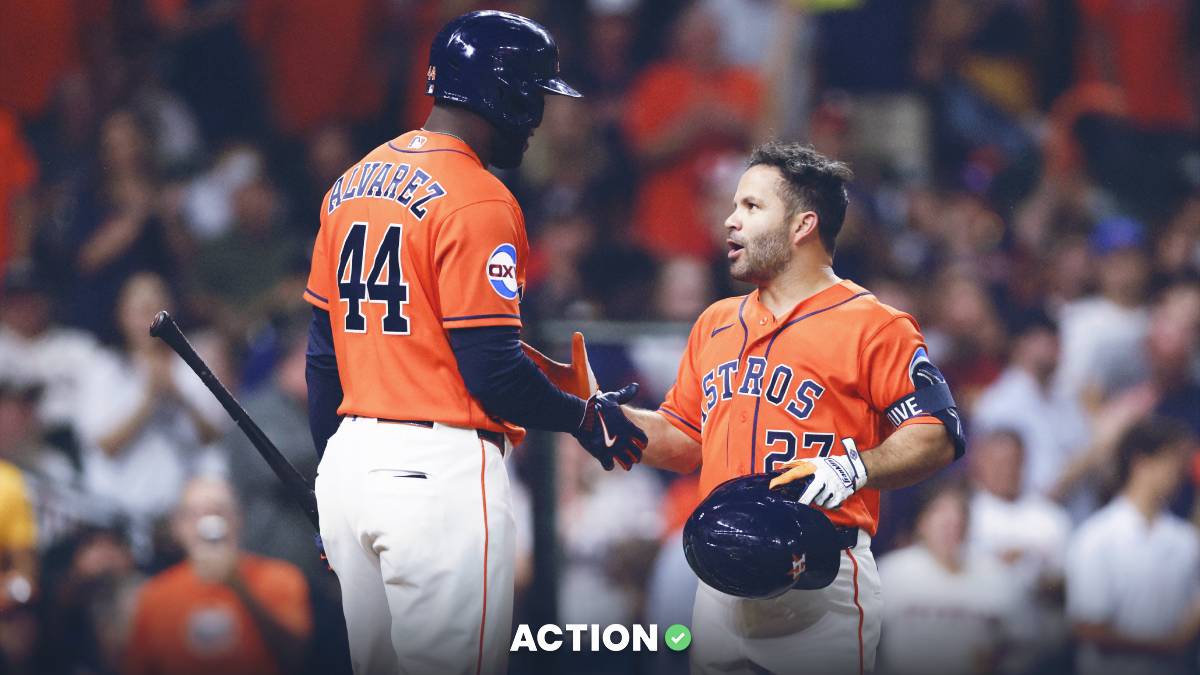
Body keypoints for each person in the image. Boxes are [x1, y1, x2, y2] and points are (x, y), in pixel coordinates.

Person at [302, 11, 645, 675]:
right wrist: (582, 418)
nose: (539, 115)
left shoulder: (350, 181)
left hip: (351, 470)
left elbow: (323, 359)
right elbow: (493, 371)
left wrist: (328, 485)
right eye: (536, 95)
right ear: (505, 93)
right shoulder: (478, 197)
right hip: (439, 475)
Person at [594, 141, 964, 673]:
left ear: (802, 225)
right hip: (720, 575)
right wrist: (604, 421)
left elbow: (937, 433)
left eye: (750, 207)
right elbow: (683, 440)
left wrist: (855, 467)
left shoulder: (874, 325)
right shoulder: (715, 322)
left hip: (818, 572)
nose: (729, 220)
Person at [124, 476, 312, 675]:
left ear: (238, 518)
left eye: (218, 512)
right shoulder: (155, 596)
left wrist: (238, 587)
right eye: (194, 514)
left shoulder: (280, 578)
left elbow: (296, 656)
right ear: (177, 526)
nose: (206, 524)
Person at [1065, 417, 1200, 675]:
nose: (1180, 473)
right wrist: (1167, 645)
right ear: (1142, 462)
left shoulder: (1186, 541)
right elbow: (1089, 628)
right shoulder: (1096, 537)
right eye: (1172, 461)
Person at [877, 481, 1023, 675]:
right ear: (921, 522)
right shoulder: (890, 573)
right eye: (940, 515)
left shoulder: (995, 575)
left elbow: (1019, 643)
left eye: (958, 516)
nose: (950, 524)